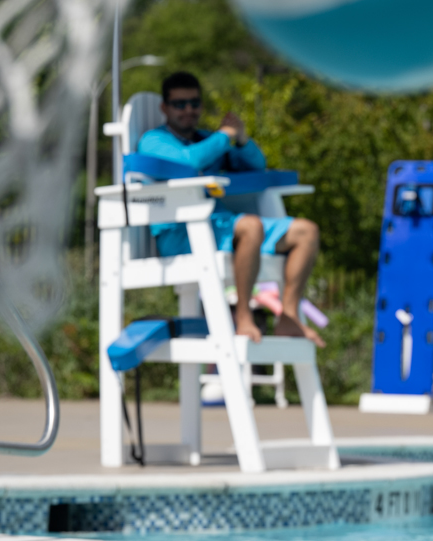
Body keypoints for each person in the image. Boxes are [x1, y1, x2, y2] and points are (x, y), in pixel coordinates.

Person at [135, 71, 323, 346]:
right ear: (164, 108)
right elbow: (188, 162)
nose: (188, 110)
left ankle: (289, 317)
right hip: (181, 234)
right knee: (251, 226)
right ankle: (243, 317)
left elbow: (257, 165)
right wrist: (224, 135)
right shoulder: (153, 140)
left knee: (306, 232)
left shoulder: (205, 139)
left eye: (194, 103)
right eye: (179, 104)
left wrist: (242, 139)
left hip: (220, 226)